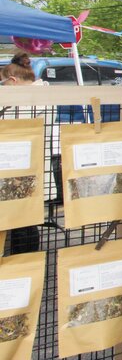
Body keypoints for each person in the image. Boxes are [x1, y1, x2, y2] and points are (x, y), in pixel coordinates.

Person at [1, 52, 42, 254]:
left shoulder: (27, 104)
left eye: (3, 84)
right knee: (24, 221)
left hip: (21, 171)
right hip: (25, 170)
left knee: (23, 223)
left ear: (13, 81)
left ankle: (21, 266)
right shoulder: (42, 97)